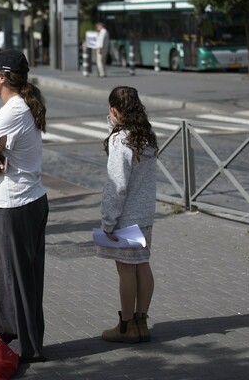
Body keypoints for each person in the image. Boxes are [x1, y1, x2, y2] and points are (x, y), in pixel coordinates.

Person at [0, 49, 49, 363]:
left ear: (2, 77)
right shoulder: (21, 107)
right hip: (28, 201)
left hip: (15, 205)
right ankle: (27, 343)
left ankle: (17, 347)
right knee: (25, 278)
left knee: (10, 279)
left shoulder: (10, 113)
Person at [98, 86, 159, 343]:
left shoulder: (119, 139)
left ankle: (125, 326)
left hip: (125, 217)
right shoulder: (146, 135)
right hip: (145, 214)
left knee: (126, 271)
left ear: (114, 109)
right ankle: (141, 322)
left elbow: (117, 185)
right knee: (142, 266)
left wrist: (108, 221)